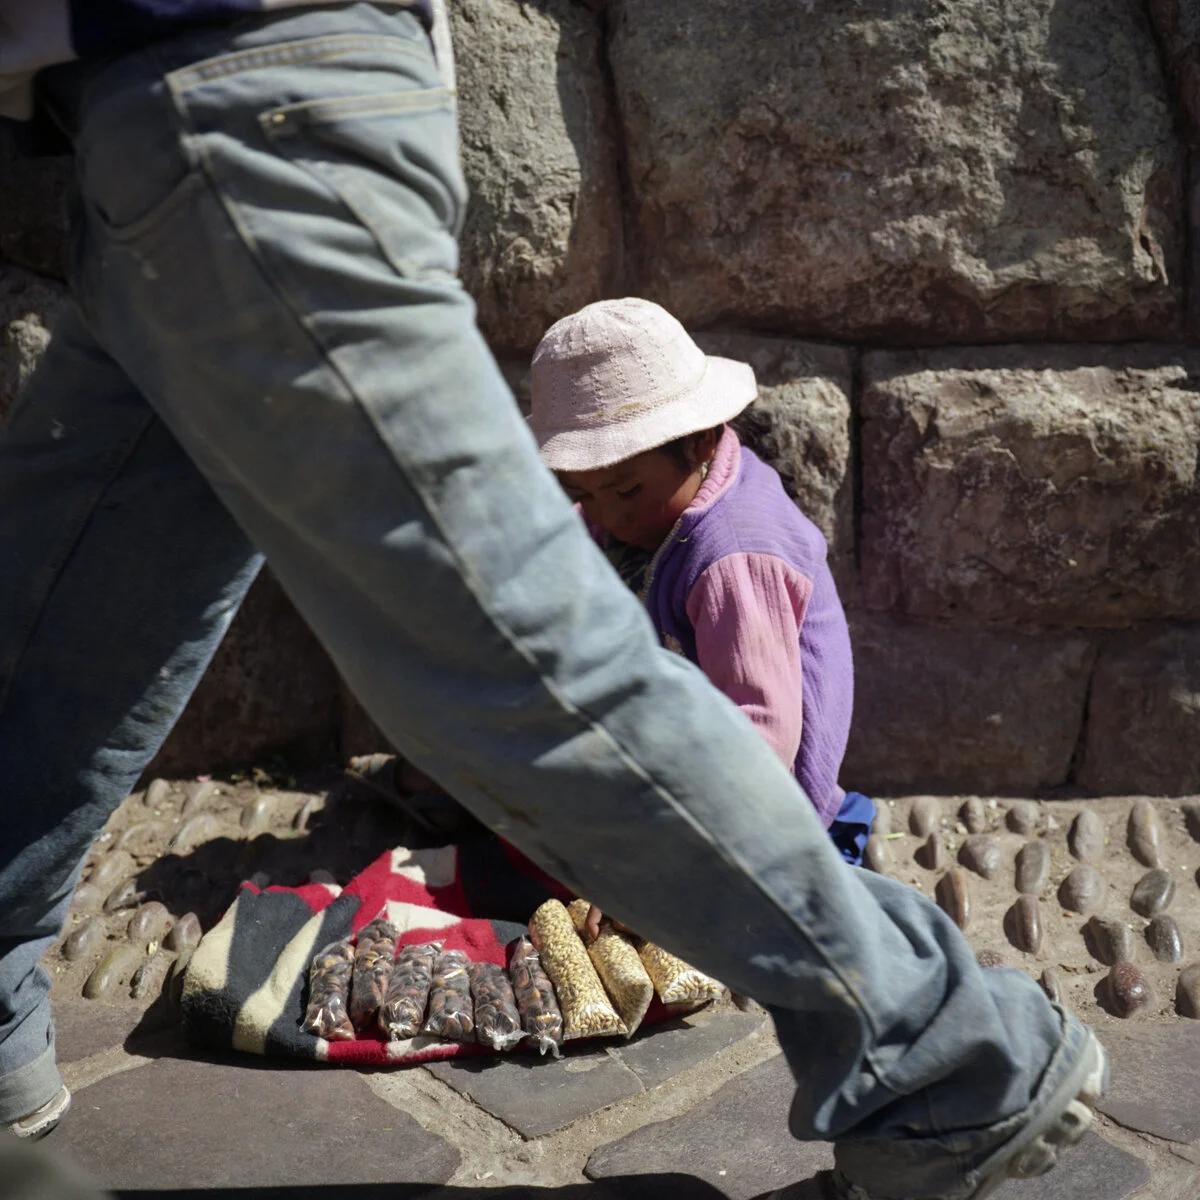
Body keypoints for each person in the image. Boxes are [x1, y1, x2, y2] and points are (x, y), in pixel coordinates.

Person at [0, 4, 1107, 1197]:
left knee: (489, 654)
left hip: (234, 112)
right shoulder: (682, 517)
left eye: (617, 487)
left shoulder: (731, 547)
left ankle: (935, 1044)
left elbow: (736, 720)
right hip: (150, 125)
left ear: (691, 449)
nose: (601, 510)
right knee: (51, 618)